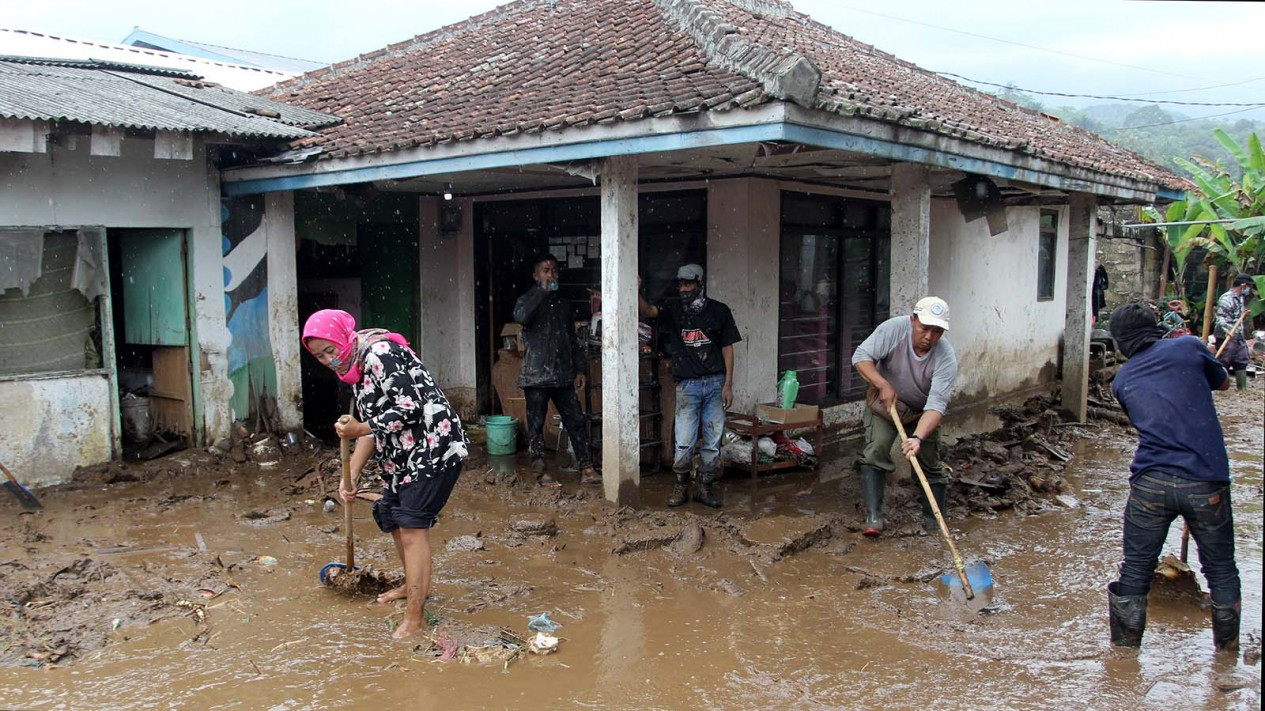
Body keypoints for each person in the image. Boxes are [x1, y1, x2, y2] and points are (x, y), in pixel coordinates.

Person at [302, 309, 468, 640]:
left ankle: (415, 617)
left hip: (434, 446)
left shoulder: (380, 353)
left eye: (330, 350)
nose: (328, 360)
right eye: (320, 356)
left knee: (411, 528)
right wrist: (350, 474)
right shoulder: (354, 368)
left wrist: (361, 426)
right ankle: (412, 585)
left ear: (343, 337)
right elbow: (370, 431)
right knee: (392, 517)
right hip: (400, 454)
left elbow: (410, 408)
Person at [1107, 302, 1239, 653]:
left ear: (1120, 342)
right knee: (1222, 569)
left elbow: (1148, 416)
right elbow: (1223, 383)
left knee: (1135, 571)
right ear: (1156, 328)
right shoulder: (1189, 346)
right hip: (1205, 480)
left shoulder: (1122, 380)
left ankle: (1124, 658)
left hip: (1151, 483)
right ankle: (1226, 656)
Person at [851, 297, 958, 537]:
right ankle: (874, 517)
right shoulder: (894, 329)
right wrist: (882, 384)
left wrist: (918, 437)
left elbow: (936, 406)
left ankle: (934, 521)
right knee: (877, 449)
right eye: (924, 328)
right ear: (913, 320)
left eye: (937, 331)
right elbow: (860, 358)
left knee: (929, 463)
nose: (929, 336)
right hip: (885, 406)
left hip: (921, 411)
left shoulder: (945, 357)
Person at [638, 263, 740, 508]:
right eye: (680, 284)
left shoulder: (719, 311)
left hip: (715, 384)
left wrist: (728, 385)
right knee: (683, 440)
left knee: (713, 441)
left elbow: (728, 348)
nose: (683, 289)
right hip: (687, 386)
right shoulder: (674, 311)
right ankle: (681, 484)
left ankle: (704, 487)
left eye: (688, 284)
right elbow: (649, 311)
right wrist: (635, 291)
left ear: (700, 284)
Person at [512, 254, 600, 488]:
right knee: (537, 423)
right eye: (546, 270)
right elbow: (520, 317)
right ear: (536, 275)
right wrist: (541, 291)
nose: (552, 275)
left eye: (554, 271)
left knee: (576, 420)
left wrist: (580, 368)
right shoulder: (528, 299)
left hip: (562, 374)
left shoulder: (563, 302)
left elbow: (572, 338)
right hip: (537, 375)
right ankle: (540, 472)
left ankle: (587, 468)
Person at [1214, 274, 1255, 391]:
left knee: (1242, 358)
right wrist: (1228, 330)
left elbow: (1236, 315)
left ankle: (1242, 388)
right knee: (1224, 360)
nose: (1249, 290)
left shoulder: (1240, 297)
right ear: (1243, 285)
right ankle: (1220, 386)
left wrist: (1244, 314)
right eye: (1248, 287)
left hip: (1238, 333)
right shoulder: (1226, 298)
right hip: (1226, 334)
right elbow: (1220, 318)